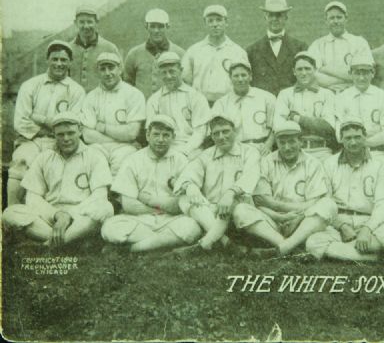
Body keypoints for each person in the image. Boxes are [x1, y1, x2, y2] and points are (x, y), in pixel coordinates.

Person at [3, 112, 114, 248]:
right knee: (10, 213)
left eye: (70, 133)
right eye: (60, 134)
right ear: (54, 134)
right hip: (50, 219)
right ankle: (70, 242)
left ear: (80, 131)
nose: (66, 138)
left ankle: (49, 244)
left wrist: (68, 216)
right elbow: (33, 198)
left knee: (105, 208)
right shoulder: (44, 157)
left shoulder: (94, 156)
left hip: (79, 219)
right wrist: (57, 215)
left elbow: (99, 196)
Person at [233, 121, 337, 256]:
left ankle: (282, 249)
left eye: (292, 141)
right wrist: (279, 217)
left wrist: (297, 217)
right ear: (276, 142)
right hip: (272, 221)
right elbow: (260, 202)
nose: (287, 147)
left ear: (301, 141)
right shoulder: (266, 162)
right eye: (282, 142)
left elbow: (314, 203)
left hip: (302, 223)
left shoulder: (313, 164)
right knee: (241, 210)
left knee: (328, 205)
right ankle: (288, 246)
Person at [305, 118, 384, 262]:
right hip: (338, 223)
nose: (353, 142)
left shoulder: (380, 164)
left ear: (365, 138)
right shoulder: (329, 163)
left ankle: (342, 252)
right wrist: (342, 226)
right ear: (341, 140)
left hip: (369, 222)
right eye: (348, 138)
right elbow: (325, 202)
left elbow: (382, 207)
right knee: (313, 242)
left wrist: (367, 229)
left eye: (358, 137)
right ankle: (373, 257)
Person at [101, 115, 202, 252]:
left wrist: (150, 201)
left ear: (173, 137)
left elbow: (181, 204)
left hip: (171, 219)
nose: (161, 140)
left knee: (192, 227)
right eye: (156, 134)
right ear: (148, 135)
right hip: (140, 220)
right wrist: (162, 207)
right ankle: (164, 242)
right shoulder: (132, 160)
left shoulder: (181, 161)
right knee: (110, 227)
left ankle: (135, 248)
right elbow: (129, 205)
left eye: (166, 135)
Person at [6, 41, 85, 207]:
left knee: (52, 167)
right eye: (55, 59)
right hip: (31, 140)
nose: (59, 63)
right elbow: (20, 122)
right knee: (21, 160)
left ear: (70, 62)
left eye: (64, 60)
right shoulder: (30, 85)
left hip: (60, 142)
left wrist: (38, 117)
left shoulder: (76, 90)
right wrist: (52, 126)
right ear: (47, 60)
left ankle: (47, 213)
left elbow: (71, 125)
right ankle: (12, 212)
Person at [173, 112, 261, 250]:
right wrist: (191, 187)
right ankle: (226, 242)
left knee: (237, 202)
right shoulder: (206, 155)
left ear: (235, 131)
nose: (221, 137)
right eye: (216, 133)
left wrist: (231, 193)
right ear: (212, 136)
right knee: (184, 198)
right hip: (211, 213)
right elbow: (188, 175)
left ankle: (203, 245)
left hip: (237, 211)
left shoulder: (250, 152)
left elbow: (250, 177)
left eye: (225, 131)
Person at [80, 52, 145, 176]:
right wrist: (120, 137)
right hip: (98, 146)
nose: (107, 73)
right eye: (103, 69)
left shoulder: (134, 94)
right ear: (97, 72)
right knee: (91, 164)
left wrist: (102, 127)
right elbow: (88, 135)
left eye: (111, 68)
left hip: (125, 148)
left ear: (120, 69)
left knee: (122, 168)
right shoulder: (91, 97)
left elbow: (132, 133)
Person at [146, 51, 211, 159]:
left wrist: (184, 151)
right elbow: (152, 132)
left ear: (181, 70)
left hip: (191, 148)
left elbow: (200, 132)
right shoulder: (154, 100)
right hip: (163, 147)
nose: (168, 76)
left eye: (172, 71)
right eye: (164, 72)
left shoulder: (195, 96)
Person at [181, 5, 249, 105]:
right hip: (200, 105)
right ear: (205, 24)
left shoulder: (238, 52)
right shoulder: (194, 51)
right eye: (210, 21)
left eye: (219, 20)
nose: (215, 24)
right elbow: (185, 81)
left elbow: (245, 82)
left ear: (226, 22)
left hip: (229, 104)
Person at [275, 51, 337, 160]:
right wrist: (315, 123)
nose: (304, 73)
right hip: (294, 152)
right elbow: (280, 128)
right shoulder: (285, 94)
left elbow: (328, 128)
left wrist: (296, 118)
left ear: (315, 70)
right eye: (299, 69)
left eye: (307, 68)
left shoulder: (327, 94)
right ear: (294, 71)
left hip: (322, 151)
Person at [335, 54, 384, 166]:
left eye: (365, 73)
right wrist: (356, 144)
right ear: (350, 74)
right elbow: (339, 136)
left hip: (377, 152)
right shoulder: (341, 98)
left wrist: (362, 143)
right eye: (357, 73)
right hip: (348, 152)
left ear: (373, 73)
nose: (361, 78)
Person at [246, 0, 308, 95]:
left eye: (279, 15)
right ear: (265, 17)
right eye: (271, 15)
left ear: (286, 17)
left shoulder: (300, 48)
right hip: (263, 106)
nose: (275, 19)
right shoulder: (252, 51)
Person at [211, 60, 276, 156]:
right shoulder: (221, 103)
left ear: (250, 77)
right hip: (233, 151)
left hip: (261, 149)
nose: (240, 79)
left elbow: (276, 126)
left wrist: (268, 145)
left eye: (244, 75)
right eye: (236, 76)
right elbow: (216, 132)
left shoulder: (267, 98)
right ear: (230, 78)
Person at [308, 1, 373, 93]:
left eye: (339, 17)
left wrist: (324, 69)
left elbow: (363, 73)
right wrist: (347, 79)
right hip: (326, 94)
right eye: (331, 18)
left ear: (346, 19)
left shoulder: (359, 42)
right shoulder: (317, 45)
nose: (336, 21)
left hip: (354, 93)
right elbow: (312, 75)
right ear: (326, 21)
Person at [123, 8, 186, 98]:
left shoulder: (180, 54)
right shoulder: (134, 54)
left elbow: (185, 85)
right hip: (142, 108)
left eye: (160, 26)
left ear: (167, 26)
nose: (156, 31)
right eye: (152, 26)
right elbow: (127, 85)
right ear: (146, 27)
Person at [69, 5, 120, 92]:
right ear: (75, 23)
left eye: (90, 22)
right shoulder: (68, 48)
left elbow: (119, 77)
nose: (86, 26)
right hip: (74, 100)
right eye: (81, 22)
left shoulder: (110, 48)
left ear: (96, 23)